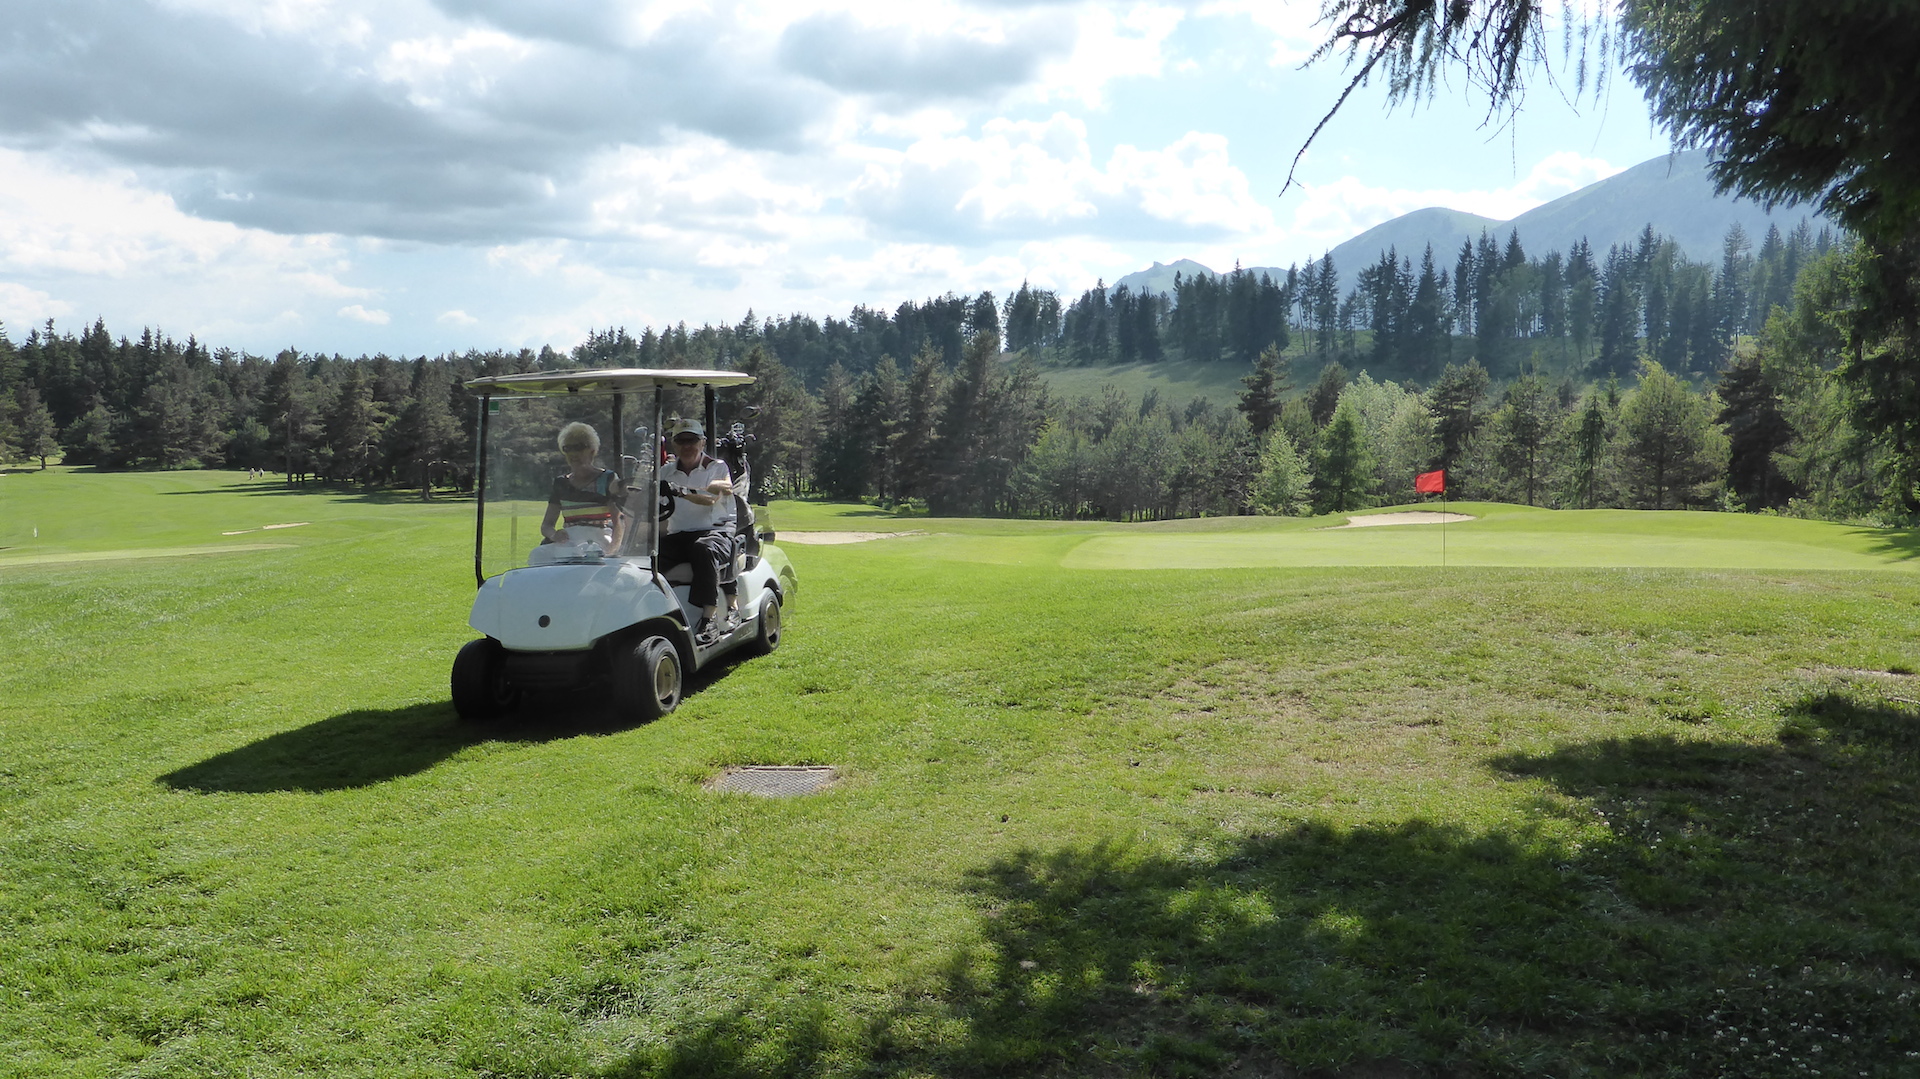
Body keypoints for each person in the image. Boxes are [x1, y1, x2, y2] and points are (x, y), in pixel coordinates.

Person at [657, 421, 736, 642]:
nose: (687, 446)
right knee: (649, 555)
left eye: (691, 440)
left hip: (715, 532)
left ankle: (708, 618)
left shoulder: (716, 467)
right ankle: (658, 609)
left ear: (702, 442)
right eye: (681, 441)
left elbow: (712, 499)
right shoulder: (666, 471)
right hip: (680, 533)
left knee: (703, 549)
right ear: (674, 444)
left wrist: (680, 491)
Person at [536, 422, 626, 557]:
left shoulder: (608, 479)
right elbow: (546, 525)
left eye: (578, 447)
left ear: (592, 450)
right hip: (570, 544)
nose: (573, 453)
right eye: (567, 448)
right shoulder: (561, 483)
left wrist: (612, 551)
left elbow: (619, 521)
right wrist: (554, 535)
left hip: (599, 543)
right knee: (538, 555)